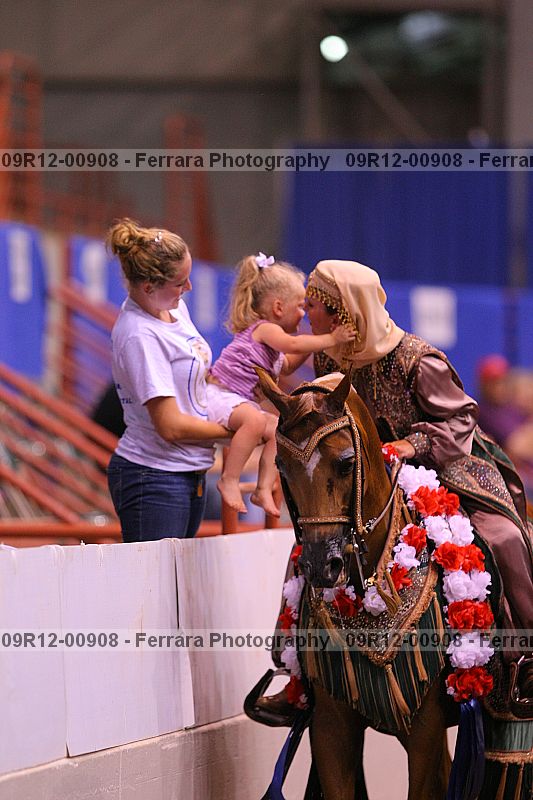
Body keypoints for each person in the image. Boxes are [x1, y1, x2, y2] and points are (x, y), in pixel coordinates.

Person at [257, 259, 533, 721]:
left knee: (503, 538)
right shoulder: (329, 358)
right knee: (313, 540)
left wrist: (412, 444)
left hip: (444, 463)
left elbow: (462, 418)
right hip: (370, 475)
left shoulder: (418, 359)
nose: (307, 315)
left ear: (342, 312)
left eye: (314, 306)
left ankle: (524, 659)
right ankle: (298, 675)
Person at [106, 218, 231, 542]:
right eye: (180, 282)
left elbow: (195, 382)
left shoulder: (174, 309)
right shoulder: (139, 335)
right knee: (157, 575)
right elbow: (170, 426)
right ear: (149, 287)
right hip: (155, 474)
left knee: (174, 572)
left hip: (185, 470)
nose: (188, 288)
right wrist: (233, 432)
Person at [207, 252, 356, 516]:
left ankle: (263, 488)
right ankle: (229, 479)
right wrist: (332, 338)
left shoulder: (271, 346)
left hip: (238, 401)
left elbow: (287, 364)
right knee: (254, 420)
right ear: (278, 308)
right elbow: (294, 344)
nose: (303, 314)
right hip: (221, 396)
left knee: (279, 429)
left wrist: (318, 342)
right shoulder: (264, 329)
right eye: (300, 306)